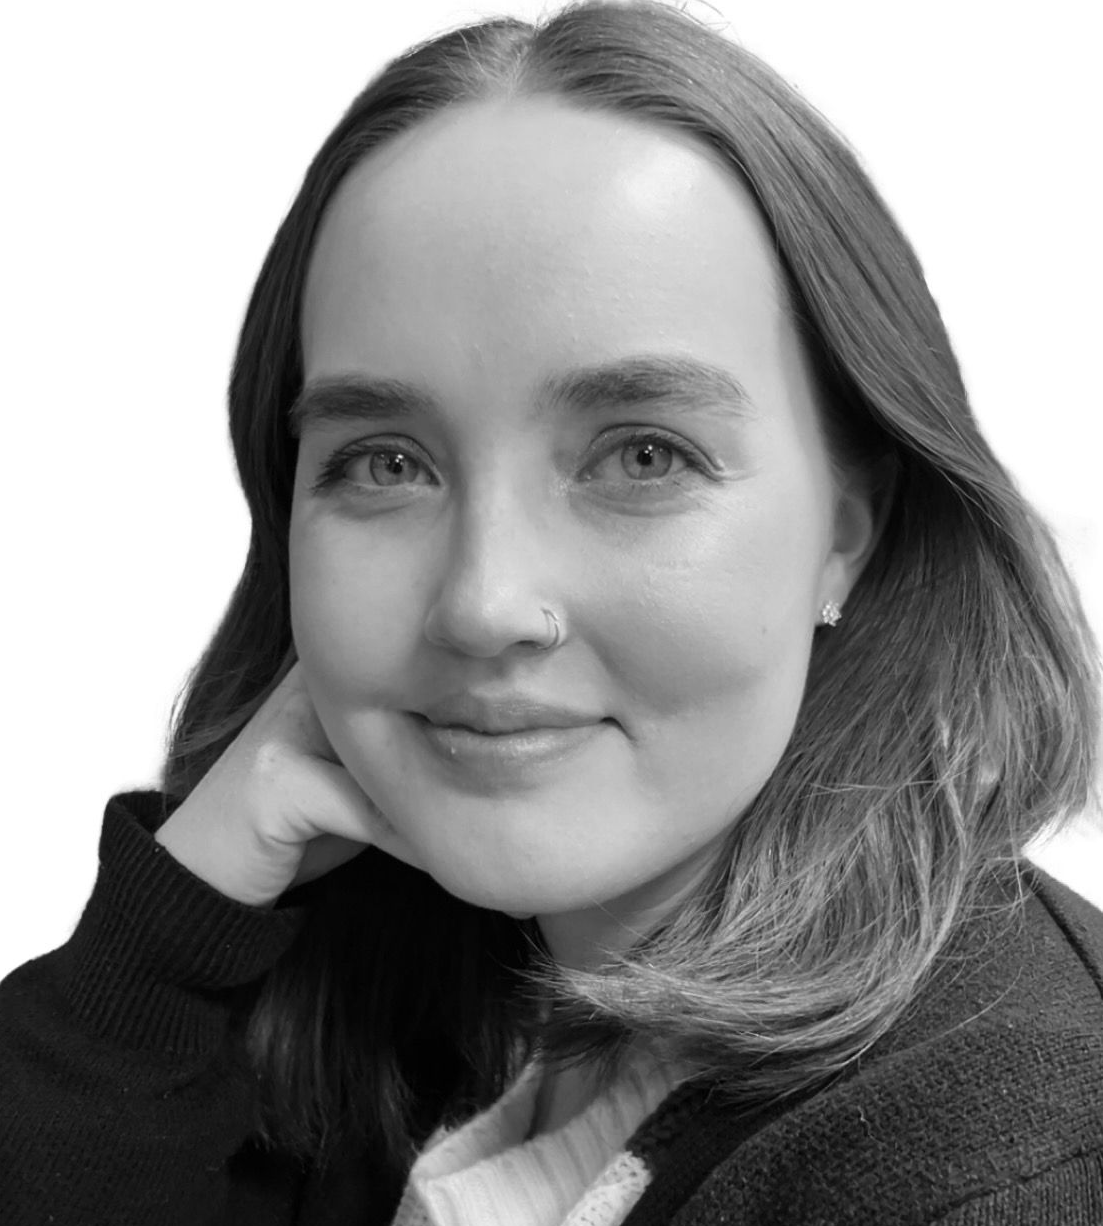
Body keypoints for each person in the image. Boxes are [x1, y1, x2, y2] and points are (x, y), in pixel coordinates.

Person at [2, 1, 1101, 1222]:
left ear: (849, 531)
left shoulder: (987, 1161)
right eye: (386, 462)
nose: (482, 603)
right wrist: (157, 958)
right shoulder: (424, 993)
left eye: (641, 455)